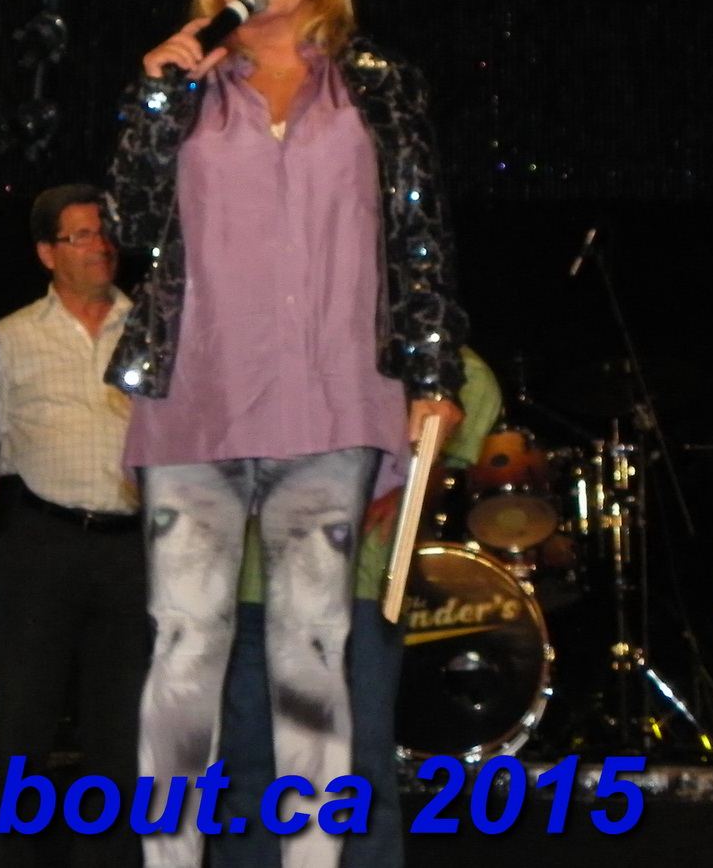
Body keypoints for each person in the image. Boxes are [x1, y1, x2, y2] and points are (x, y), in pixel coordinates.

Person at [106, 0, 470, 868]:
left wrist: (434, 379)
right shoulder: (184, 85)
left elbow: (420, 240)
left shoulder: (378, 82)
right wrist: (155, 98)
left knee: (312, 653)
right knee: (184, 647)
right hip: (197, 403)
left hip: (330, 402)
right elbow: (128, 221)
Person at [210, 349, 504, 868]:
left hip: (352, 586)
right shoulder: (257, 320)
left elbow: (473, 380)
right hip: (255, 580)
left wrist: (415, 483)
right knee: (250, 762)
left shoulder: (383, 319)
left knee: (358, 766)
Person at [0, 184, 146, 868]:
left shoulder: (152, 332)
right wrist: (16, 527)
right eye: (81, 235)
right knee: (21, 726)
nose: (100, 246)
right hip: (39, 543)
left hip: (132, 549)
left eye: (104, 233)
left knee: (122, 733)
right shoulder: (10, 335)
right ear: (48, 253)